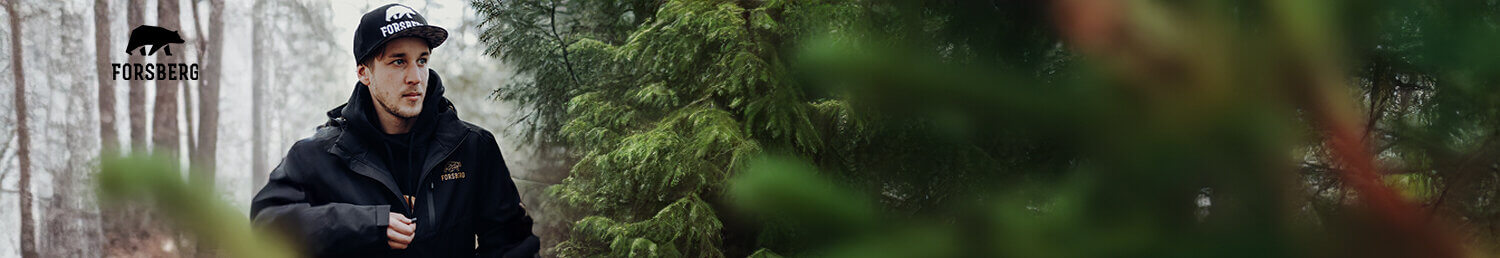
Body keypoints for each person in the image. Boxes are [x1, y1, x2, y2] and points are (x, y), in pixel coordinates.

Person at [250, 3, 539, 257]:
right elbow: (267, 223)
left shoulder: (471, 147)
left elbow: (512, 245)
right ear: (364, 73)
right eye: (398, 61)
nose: (415, 77)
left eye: (422, 60)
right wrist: (368, 224)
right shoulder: (319, 154)